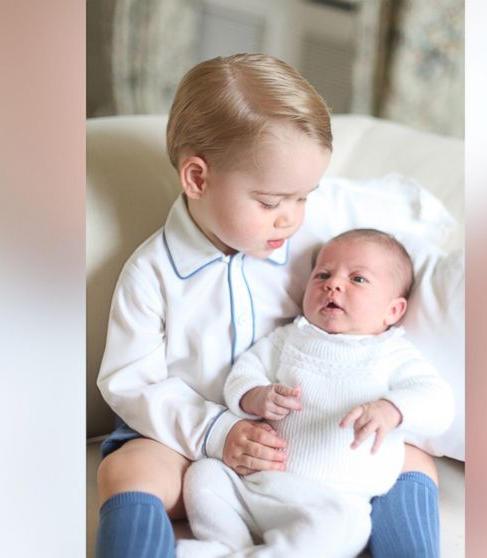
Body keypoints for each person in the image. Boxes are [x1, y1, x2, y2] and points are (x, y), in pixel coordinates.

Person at [95, 53, 443, 558]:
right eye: (270, 202)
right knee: (125, 469)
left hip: (307, 438)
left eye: (303, 198)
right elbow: (131, 382)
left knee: (413, 460)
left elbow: (399, 218)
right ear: (197, 179)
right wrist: (217, 430)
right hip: (185, 438)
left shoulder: (314, 235)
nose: (291, 219)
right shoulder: (152, 274)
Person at [179, 229, 453, 557]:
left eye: (358, 279)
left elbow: (438, 402)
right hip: (257, 487)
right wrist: (255, 395)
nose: (333, 284)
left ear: (392, 311)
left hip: (333, 501)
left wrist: (391, 409)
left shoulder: (392, 354)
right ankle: (226, 544)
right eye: (322, 274)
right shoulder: (288, 339)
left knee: (347, 527)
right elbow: (243, 373)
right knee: (204, 475)